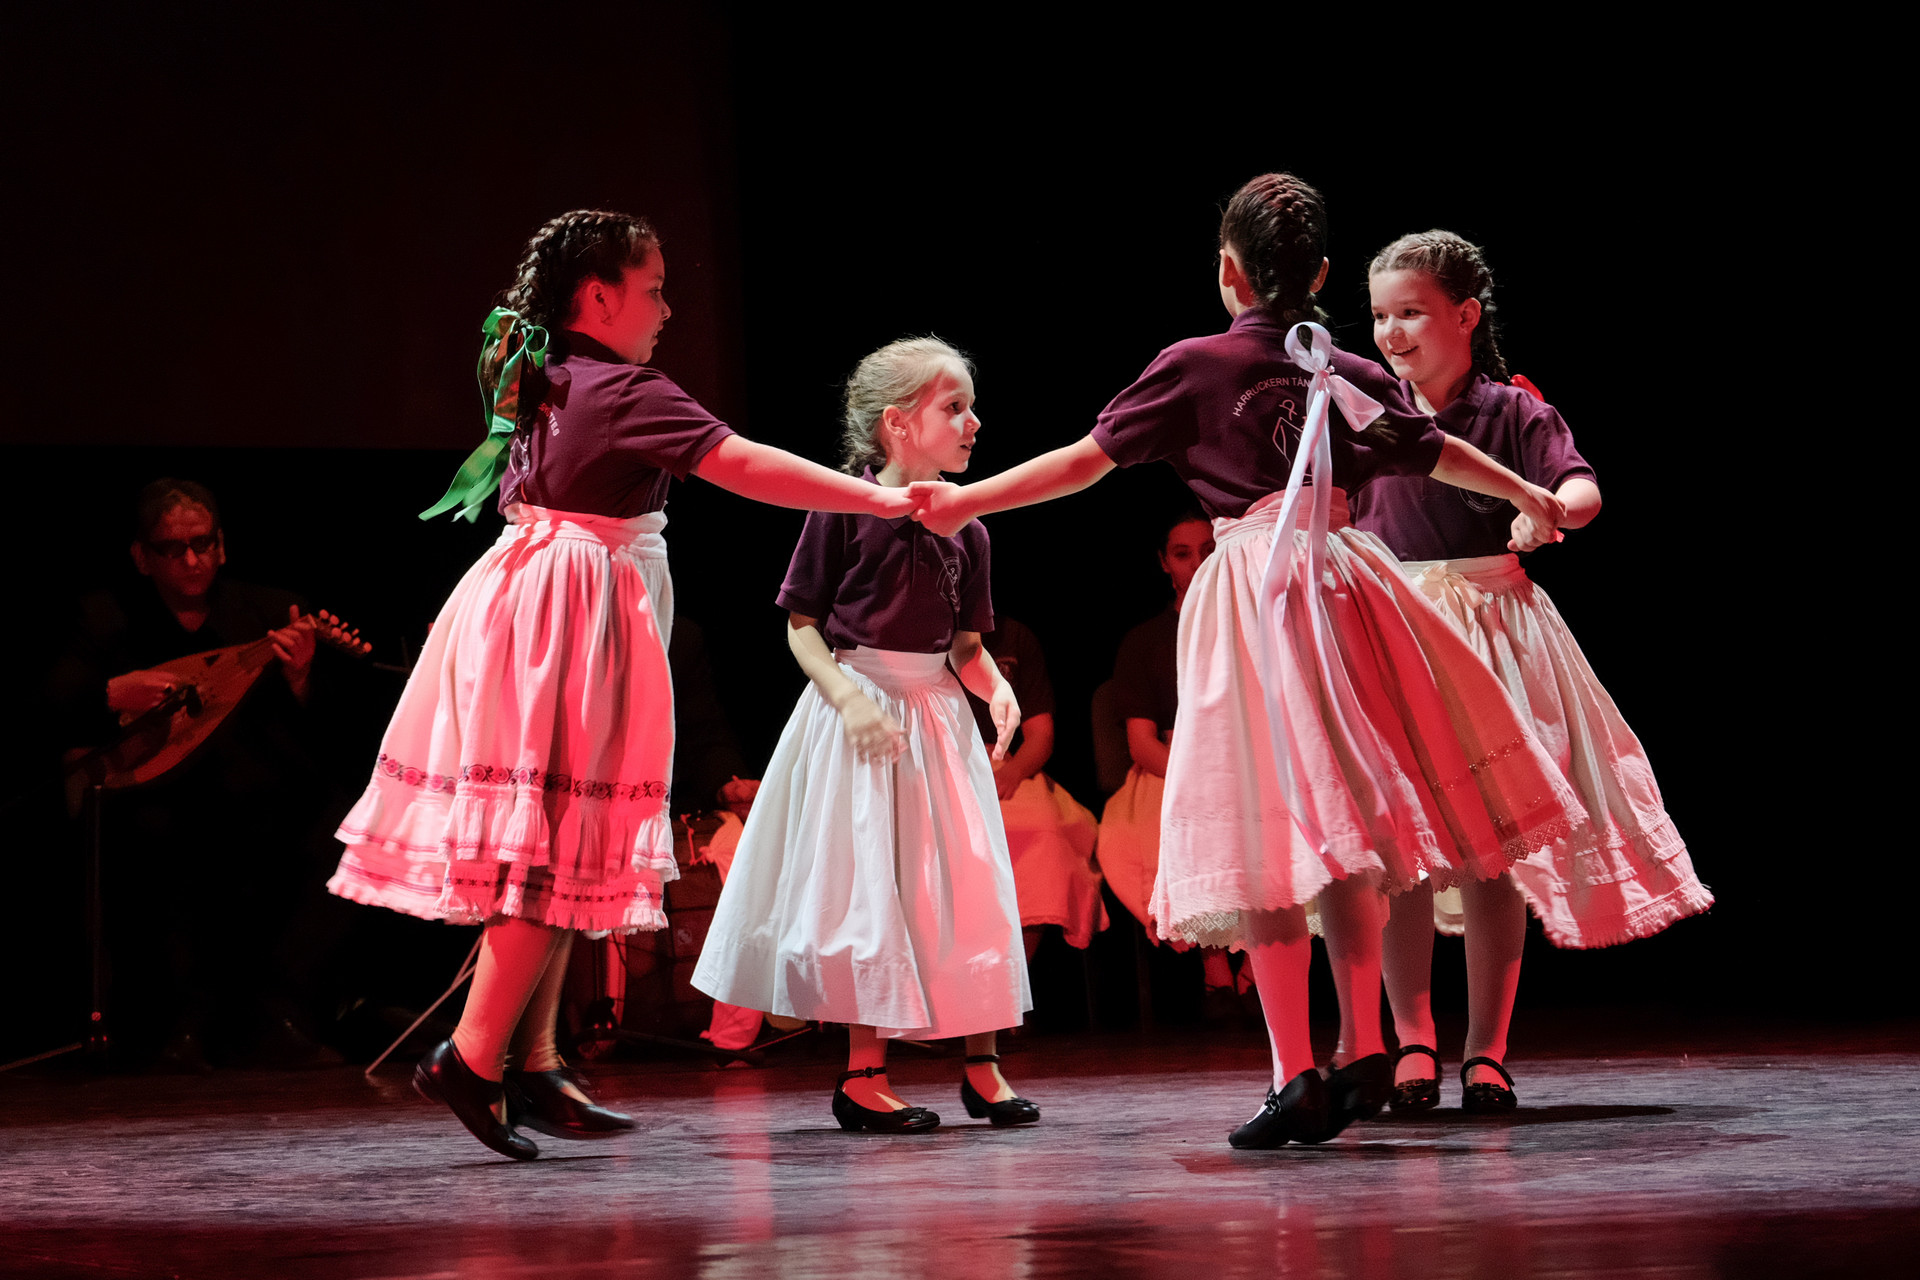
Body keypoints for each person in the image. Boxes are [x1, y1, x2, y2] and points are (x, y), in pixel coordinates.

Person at [911, 173, 1590, 1148]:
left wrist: (970, 501)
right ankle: (1364, 1042)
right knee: (1347, 823)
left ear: (1227, 271)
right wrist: (1532, 491)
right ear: (1320, 273)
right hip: (1347, 582)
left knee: (1267, 831)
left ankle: (1295, 1069)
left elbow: (1086, 459)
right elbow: (1436, 450)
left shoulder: (1198, 364)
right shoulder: (1341, 366)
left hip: (1259, 591)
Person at [327, 210, 920, 1161]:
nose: (667, 309)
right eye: (653, 290)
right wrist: (876, 496)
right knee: (555, 841)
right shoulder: (620, 389)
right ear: (599, 298)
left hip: (536, 600)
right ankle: (472, 1057)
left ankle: (532, 1059)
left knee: (570, 838)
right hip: (567, 612)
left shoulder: (554, 376)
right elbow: (743, 465)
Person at [1351, 230, 1713, 1112]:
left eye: (1411, 313)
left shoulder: (1511, 410)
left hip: (1489, 632)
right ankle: (1411, 1041)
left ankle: (1486, 1050)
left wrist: (1549, 507)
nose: (1392, 332)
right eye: (1381, 316)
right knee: (1403, 853)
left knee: (1492, 853)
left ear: (1466, 316)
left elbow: (1580, 489)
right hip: (1395, 630)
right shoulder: (1366, 409)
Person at [692, 337, 1038, 1133]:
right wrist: (849, 700)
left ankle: (982, 1064)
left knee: (966, 886)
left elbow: (965, 645)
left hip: (936, 716)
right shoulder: (842, 506)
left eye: (971, 407)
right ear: (897, 424)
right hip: (862, 709)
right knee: (869, 890)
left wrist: (994, 688)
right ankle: (863, 1074)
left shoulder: (969, 528)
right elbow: (802, 627)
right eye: (955, 407)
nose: (973, 423)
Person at [49, 479, 347, 1070]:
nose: (191, 560)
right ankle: (180, 1026)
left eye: (203, 544)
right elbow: (50, 707)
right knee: (160, 837)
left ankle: (278, 1015)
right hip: (155, 799)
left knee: (342, 830)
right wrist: (114, 692)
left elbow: (332, 727)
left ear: (222, 546)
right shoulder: (107, 617)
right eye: (172, 548)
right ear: (142, 557)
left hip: (262, 798)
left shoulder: (271, 612)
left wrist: (299, 678)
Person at [1099, 512, 1254, 1016]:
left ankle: (1259, 961)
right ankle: (1214, 964)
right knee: (1175, 822)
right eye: (1183, 554)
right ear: (1165, 563)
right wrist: (1199, 778)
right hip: (1173, 764)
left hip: (1246, 756)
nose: (1197, 563)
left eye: (1207, 550)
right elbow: (1142, 744)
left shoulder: (1251, 623)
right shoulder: (1145, 641)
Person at [964, 617, 1106, 957]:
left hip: (1002, 763)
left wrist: (1012, 773)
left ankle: (1017, 976)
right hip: (942, 764)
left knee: (1046, 830)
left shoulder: (1015, 637)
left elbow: (1040, 733)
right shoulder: (922, 638)